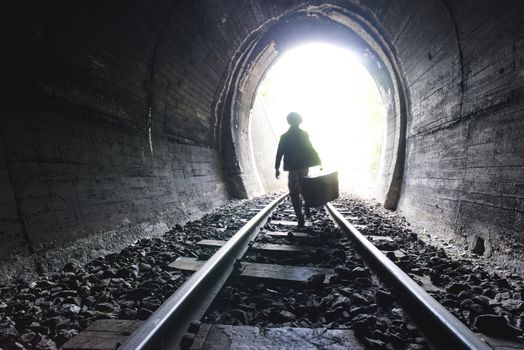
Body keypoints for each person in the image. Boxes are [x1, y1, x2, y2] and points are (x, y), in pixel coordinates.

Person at [275, 112, 321, 228]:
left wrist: (277, 168)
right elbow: (311, 149)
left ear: (289, 121)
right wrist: (319, 161)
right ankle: (306, 208)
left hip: (292, 169)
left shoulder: (285, 136)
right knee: (305, 189)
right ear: (300, 121)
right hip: (304, 168)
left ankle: (300, 218)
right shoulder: (304, 134)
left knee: (294, 193)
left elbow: (279, 153)